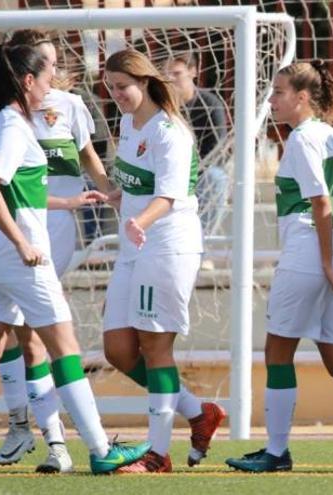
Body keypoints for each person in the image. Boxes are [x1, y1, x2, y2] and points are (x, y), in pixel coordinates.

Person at [0, 42, 149, 477]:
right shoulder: (11, 124)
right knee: (65, 348)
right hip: (15, 256)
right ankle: (101, 451)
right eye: (47, 77)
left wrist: (70, 201)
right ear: (28, 81)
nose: (51, 86)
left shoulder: (8, 121)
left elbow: (15, 189)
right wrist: (23, 243)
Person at [225, 59, 333, 473]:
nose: (272, 101)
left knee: (277, 351)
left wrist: (323, 262)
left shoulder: (302, 138)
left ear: (302, 98)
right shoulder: (330, 135)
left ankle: (277, 451)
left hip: (311, 254)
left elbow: (321, 203)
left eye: (279, 93)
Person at [0, 29, 114, 473]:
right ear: (25, 73)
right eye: (45, 65)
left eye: (55, 63)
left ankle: (54, 442)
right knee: (15, 336)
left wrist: (112, 195)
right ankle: (41, 434)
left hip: (55, 227)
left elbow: (89, 159)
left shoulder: (70, 106)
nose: (53, 74)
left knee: (32, 336)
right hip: (18, 232)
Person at [101, 48, 226, 473]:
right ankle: (198, 412)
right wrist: (119, 195)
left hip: (167, 244)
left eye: (122, 86)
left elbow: (168, 196)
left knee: (155, 347)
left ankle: (158, 454)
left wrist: (139, 219)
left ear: (144, 81)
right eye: (111, 87)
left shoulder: (169, 130)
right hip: (134, 246)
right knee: (118, 349)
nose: (116, 94)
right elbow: (137, 180)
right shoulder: (126, 122)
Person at [165, 54, 229, 239]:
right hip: (167, 171)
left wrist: (189, 172)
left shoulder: (210, 104)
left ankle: (202, 243)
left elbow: (216, 150)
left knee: (216, 178)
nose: (170, 79)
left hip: (200, 172)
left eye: (176, 73)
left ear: (193, 72)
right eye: (166, 74)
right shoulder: (160, 107)